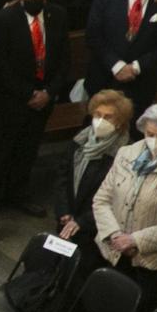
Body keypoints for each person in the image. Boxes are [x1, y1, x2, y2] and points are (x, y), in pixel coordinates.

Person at [0, 0, 69, 224]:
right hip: (9, 100)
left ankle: (19, 194)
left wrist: (49, 92)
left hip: (43, 99)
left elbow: (63, 59)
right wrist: (28, 93)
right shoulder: (4, 19)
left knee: (28, 151)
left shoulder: (57, 16)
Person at [92, 103, 157, 312]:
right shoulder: (126, 154)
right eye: (149, 133)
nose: (154, 140)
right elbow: (102, 199)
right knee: (110, 310)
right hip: (114, 249)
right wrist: (115, 235)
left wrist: (135, 240)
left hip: (149, 260)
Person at [58, 90, 134, 266]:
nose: (100, 121)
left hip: (95, 228)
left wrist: (82, 221)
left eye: (108, 117)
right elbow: (63, 175)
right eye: (98, 115)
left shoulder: (124, 154)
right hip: (68, 218)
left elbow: (115, 198)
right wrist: (63, 211)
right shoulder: (80, 141)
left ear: (120, 123)